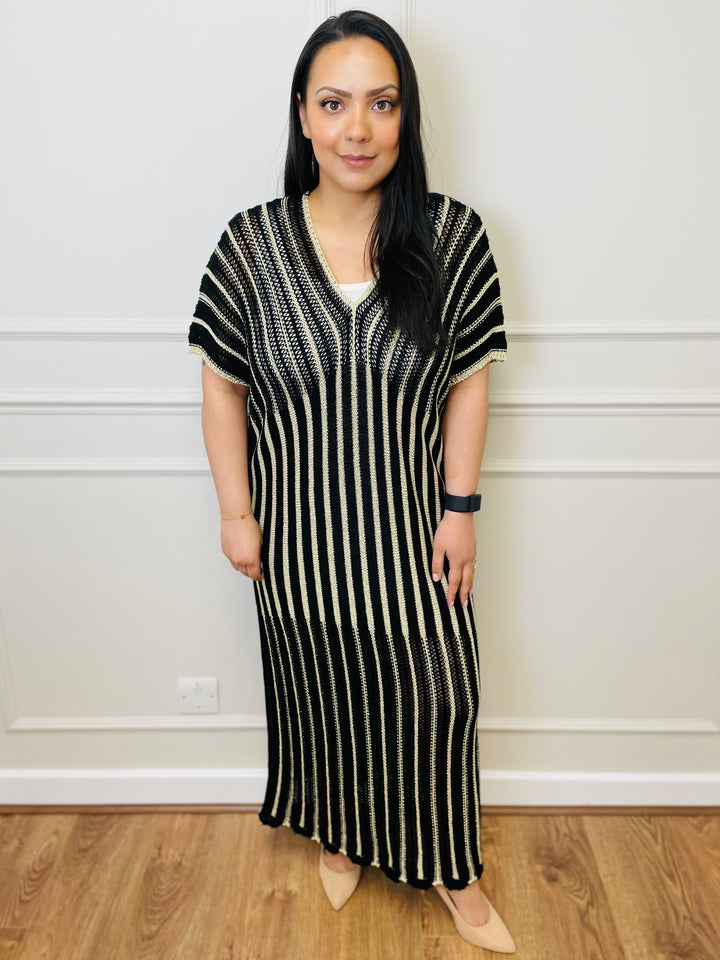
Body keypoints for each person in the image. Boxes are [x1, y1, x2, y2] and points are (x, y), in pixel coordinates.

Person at [188, 9, 515, 953]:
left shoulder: (451, 238)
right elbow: (221, 389)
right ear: (303, 115)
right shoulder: (250, 248)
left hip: (414, 531)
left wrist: (460, 510)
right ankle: (342, 837)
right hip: (299, 539)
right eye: (334, 105)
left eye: (382, 103)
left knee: (441, 696)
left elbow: (469, 381)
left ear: (405, 117)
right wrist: (237, 512)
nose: (358, 129)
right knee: (323, 692)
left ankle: (453, 868)